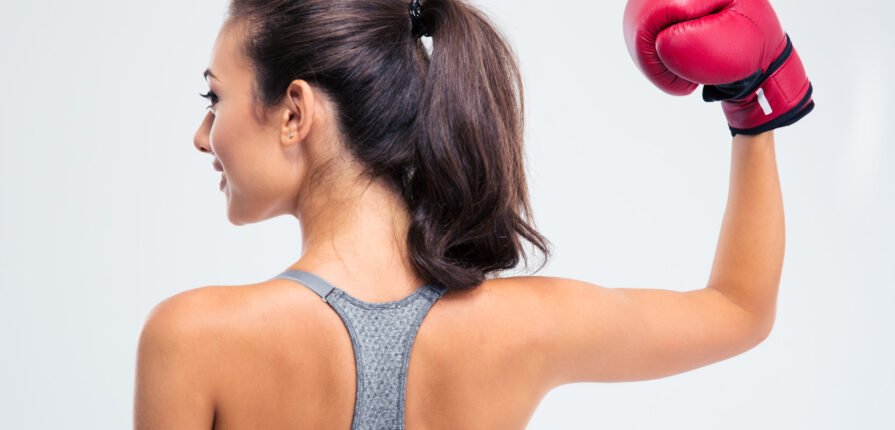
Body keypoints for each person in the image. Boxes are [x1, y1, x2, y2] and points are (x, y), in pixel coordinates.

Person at [134, 0, 812, 428]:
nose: (203, 134)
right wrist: (755, 101)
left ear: (293, 112)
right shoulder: (526, 327)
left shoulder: (193, 339)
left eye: (213, 98)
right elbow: (738, 309)